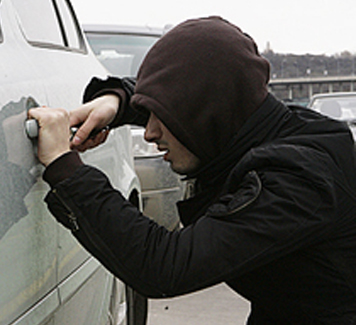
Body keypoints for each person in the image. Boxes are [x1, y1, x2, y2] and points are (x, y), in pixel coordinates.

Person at [28, 16, 356, 323]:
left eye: (159, 116)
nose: (150, 133)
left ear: (206, 112)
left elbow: (164, 267)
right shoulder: (265, 125)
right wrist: (117, 102)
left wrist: (64, 166)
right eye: (149, 113)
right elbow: (183, 100)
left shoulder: (298, 179)